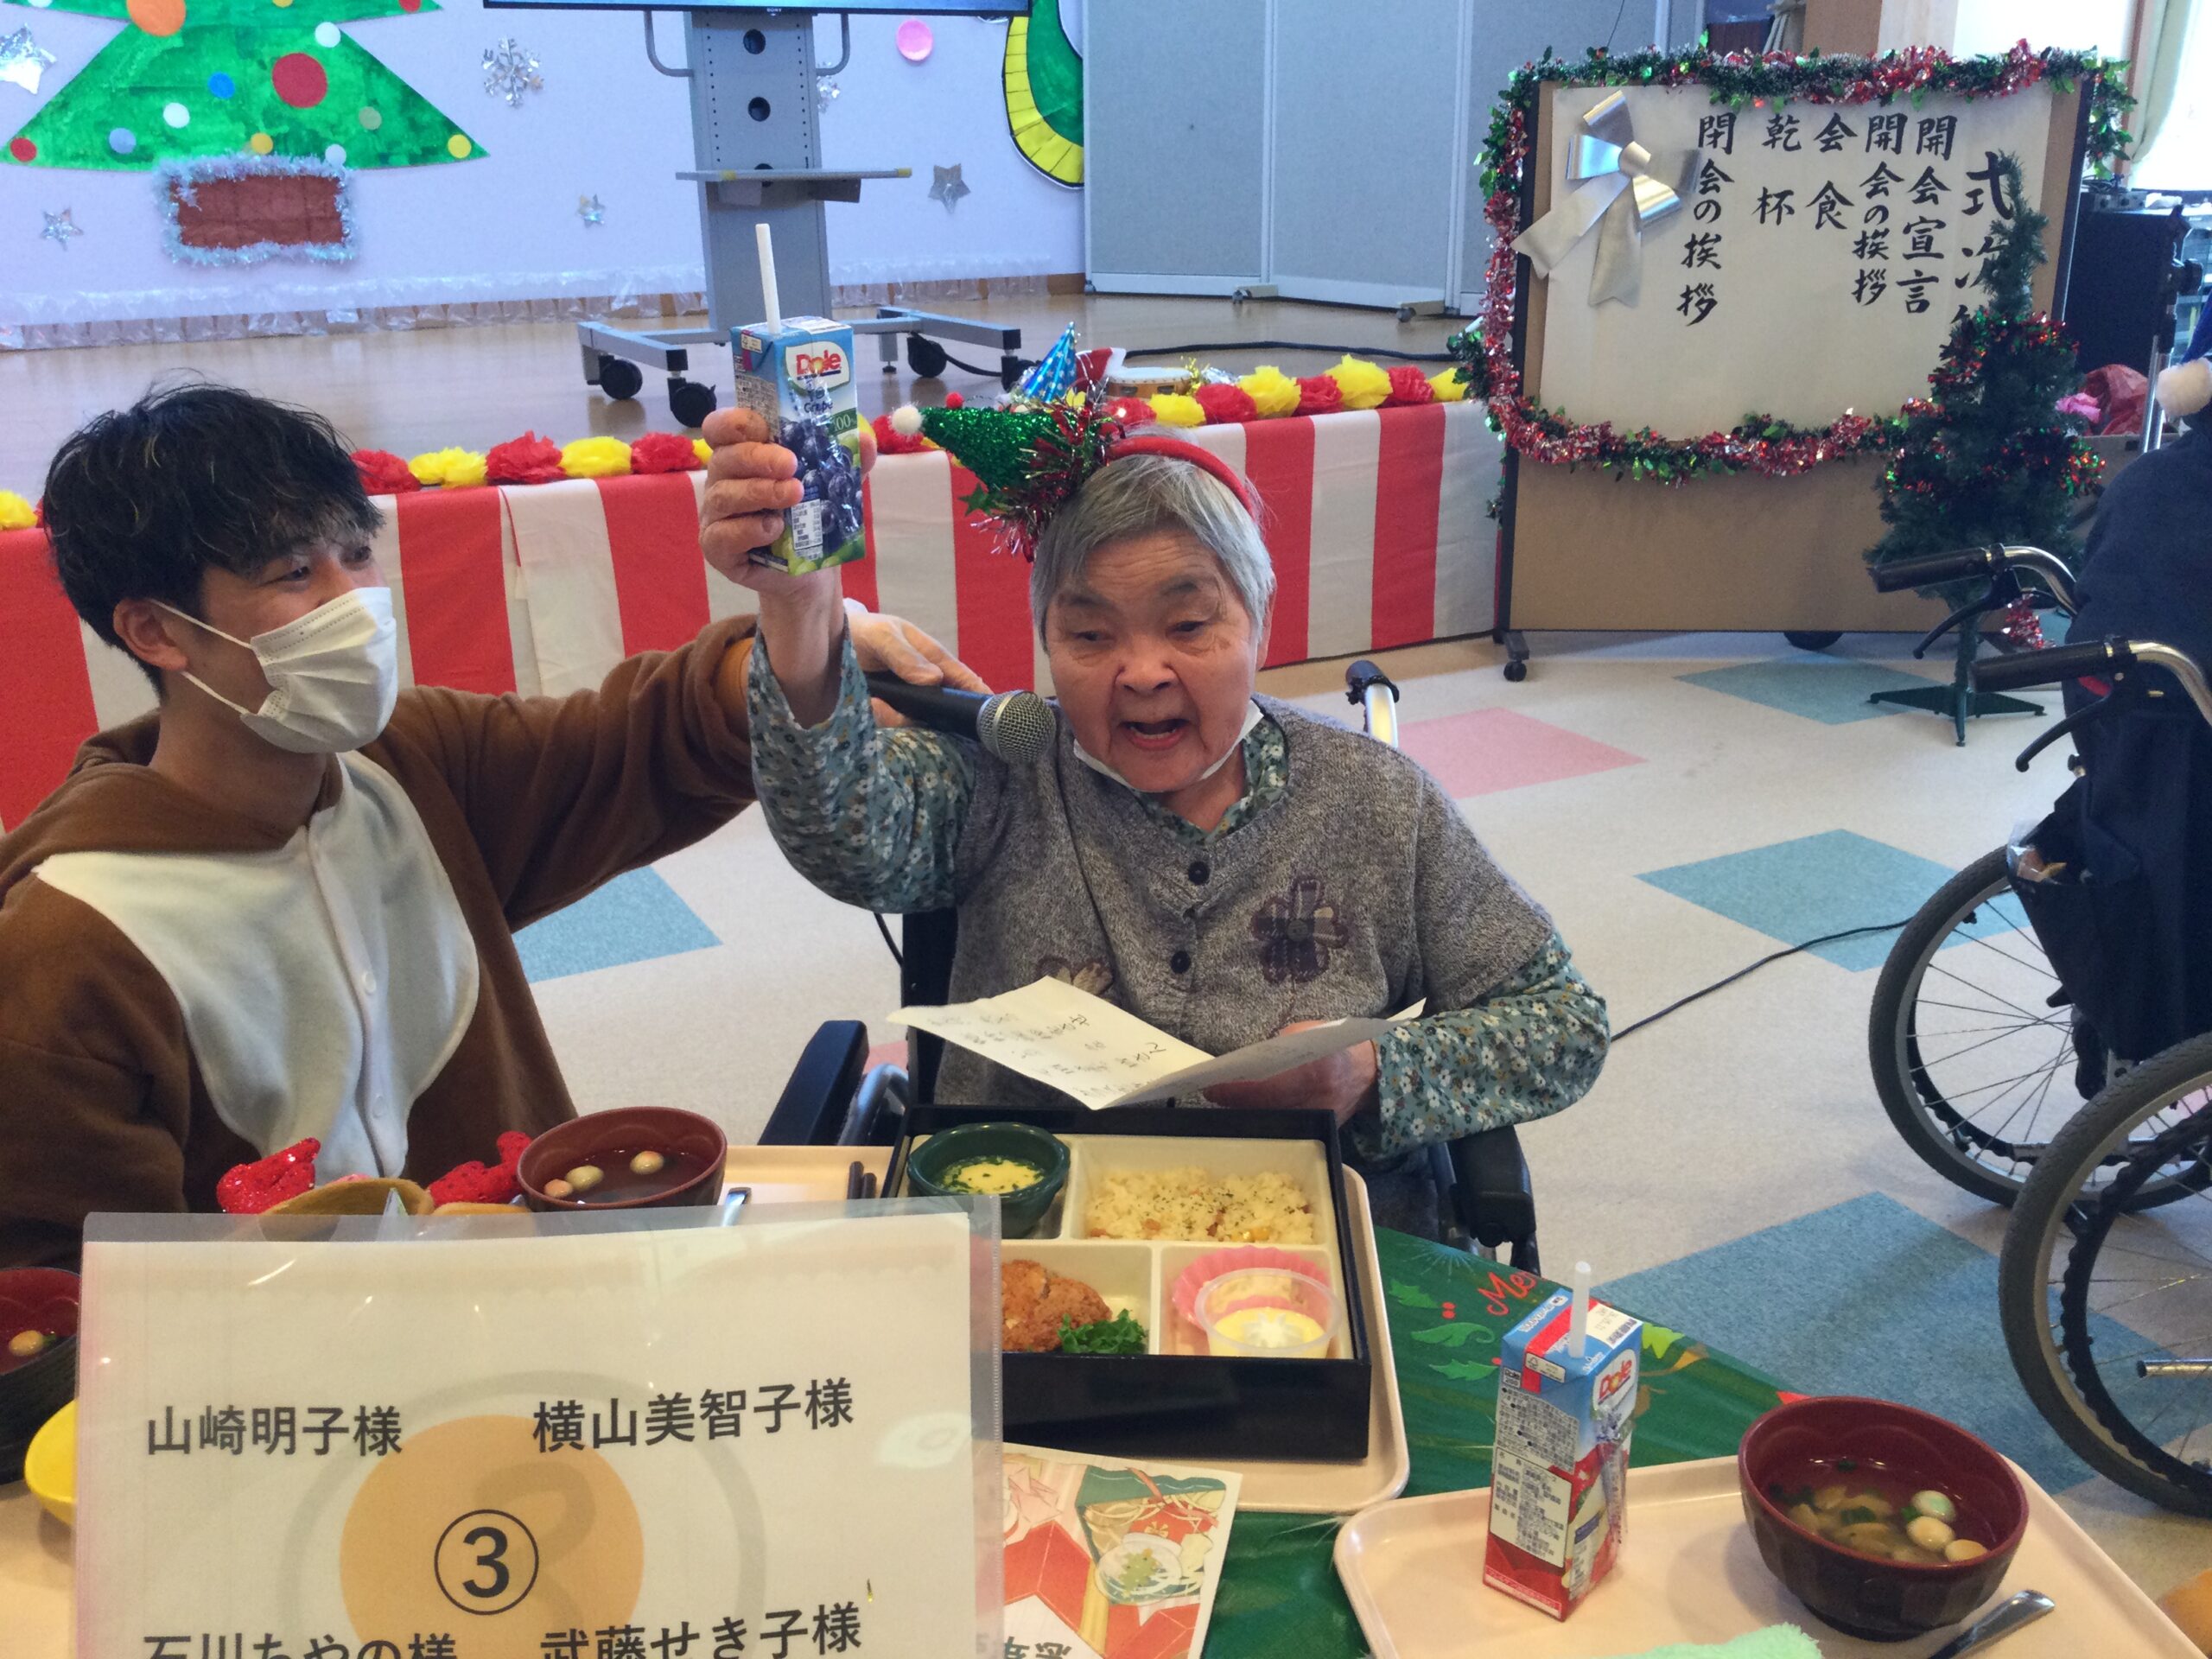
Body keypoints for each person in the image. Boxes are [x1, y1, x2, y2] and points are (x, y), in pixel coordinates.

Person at [0, 385, 974, 1268]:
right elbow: (77, 1304)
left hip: (527, 1298)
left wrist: (800, 606)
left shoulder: (408, 763)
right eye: (295, 574)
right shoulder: (71, 944)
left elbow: (645, 738)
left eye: (356, 554)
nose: (353, 604)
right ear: (155, 630)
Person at [709, 410, 1608, 1237]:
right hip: (1029, 1230)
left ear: (1259, 623)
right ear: (1045, 639)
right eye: (1090, 636)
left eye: (1188, 624)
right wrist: (800, 606)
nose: (1141, 672)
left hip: (1301, 1250)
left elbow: (1564, 1025)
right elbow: (842, 833)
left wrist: (1371, 1072)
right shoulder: (1003, 772)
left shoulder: (1376, 800)